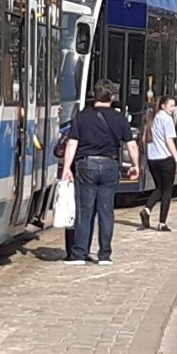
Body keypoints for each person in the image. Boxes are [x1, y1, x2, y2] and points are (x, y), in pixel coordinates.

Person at [61, 79, 140, 265]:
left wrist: (66, 168)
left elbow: (72, 143)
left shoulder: (82, 116)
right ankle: (104, 255)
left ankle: (80, 253)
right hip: (110, 165)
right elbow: (131, 145)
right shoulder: (119, 118)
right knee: (106, 211)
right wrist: (136, 165)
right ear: (111, 97)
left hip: (86, 165)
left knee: (84, 210)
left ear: (94, 96)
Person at [140, 96, 177, 231]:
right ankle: (162, 223)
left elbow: (143, 139)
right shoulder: (167, 119)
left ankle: (147, 209)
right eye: (171, 106)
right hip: (165, 158)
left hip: (152, 159)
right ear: (163, 106)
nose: (174, 108)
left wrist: (144, 158)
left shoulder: (151, 118)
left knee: (159, 187)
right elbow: (169, 141)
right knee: (167, 190)